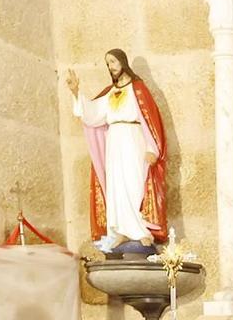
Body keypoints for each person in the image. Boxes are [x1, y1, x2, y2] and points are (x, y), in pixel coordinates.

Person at [68, 48, 168, 252]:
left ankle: (140, 230)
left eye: (113, 62)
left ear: (123, 62)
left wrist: (152, 148)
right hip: (114, 142)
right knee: (117, 186)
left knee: (134, 182)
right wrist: (76, 92)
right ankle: (122, 230)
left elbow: (150, 120)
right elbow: (92, 114)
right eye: (108, 63)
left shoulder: (138, 89)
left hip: (133, 139)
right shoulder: (110, 93)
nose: (110, 67)